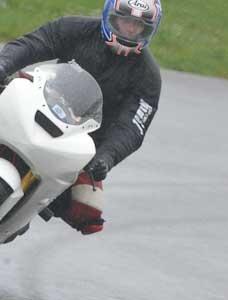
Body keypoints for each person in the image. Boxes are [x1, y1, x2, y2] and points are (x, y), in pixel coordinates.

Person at [0, 0, 163, 235]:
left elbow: (133, 127)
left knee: (88, 208)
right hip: (45, 106)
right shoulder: (74, 29)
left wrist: (107, 157)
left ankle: (30, 208)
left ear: (148, 30)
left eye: (138, 25)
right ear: (111, 16)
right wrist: (4, 64)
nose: (129, 29)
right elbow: (35, 43)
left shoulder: (148, 76)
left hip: (83, 144)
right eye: (126, 21)